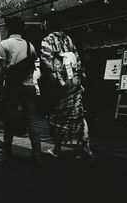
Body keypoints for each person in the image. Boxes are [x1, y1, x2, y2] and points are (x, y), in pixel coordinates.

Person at [0, 16, 42, 165]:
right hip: (28, 87)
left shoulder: (4, 44)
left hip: (12, 87)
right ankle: (37, 153)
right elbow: (33, 66)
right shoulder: (30, 46)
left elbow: (1, 70)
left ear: (7, 28)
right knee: (31, 119)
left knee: (10, 116)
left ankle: (7, 145)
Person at [40, 29, 94, 161]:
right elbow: (78, 60)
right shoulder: (68, 39)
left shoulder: (47, 41)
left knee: (55, 116)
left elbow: (46, 61)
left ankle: (57, 148)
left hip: (59, 83)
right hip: (74, 80)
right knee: (78, 114)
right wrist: (80, 77)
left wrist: (55, 79)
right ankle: (86, 148)